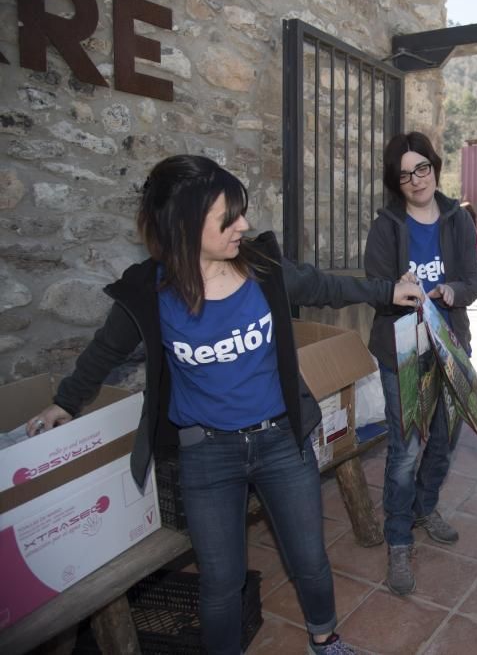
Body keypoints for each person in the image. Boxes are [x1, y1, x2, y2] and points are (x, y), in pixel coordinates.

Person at [24, 155, 424, 655]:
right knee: (220, 582)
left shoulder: (262, 268)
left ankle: (325, 639)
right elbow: (105, 350)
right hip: (206, 455)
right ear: (186, 226)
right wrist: (64, 402)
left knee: (309, 558)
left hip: (281, 441)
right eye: (228, 218)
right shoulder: (150, 293)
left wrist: (389, 290)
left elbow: (325, 286)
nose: (245, 225)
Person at [363, 132, 477, 596]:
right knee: (406, 444)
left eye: (423, 169)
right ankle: (397, 538)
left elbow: (473, 282)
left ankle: (424, 505)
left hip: (450, 342)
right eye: (406, 173)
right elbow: (376, 286)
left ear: (434, 167)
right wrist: (397, 288)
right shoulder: (386, 227)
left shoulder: (456, 219)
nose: (416, 180)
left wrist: (452, 291)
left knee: (446, 436)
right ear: (397, 181)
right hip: (403, 349)